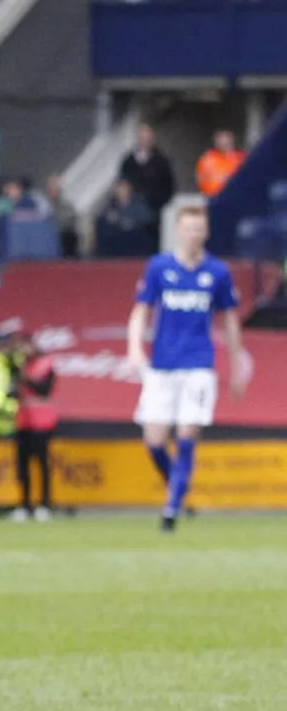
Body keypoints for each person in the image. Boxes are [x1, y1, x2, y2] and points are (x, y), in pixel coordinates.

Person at [126, 204, 246, 532]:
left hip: (198, 364)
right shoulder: (159, 267)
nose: (193, 234)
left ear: (205, 232)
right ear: (179, 230)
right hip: (162, 364)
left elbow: (230, 319)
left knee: (187, 433)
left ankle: (171, 510)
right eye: (188, 228)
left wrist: (237, 362)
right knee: (153, 439)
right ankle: (179, 486)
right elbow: (140, 310)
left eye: (199, 228)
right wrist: (134, 347)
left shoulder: (217, 272)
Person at [8, 333, 58, 522]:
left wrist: (24, 378)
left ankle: (45, 503)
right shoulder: (19, 367)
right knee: (22, 464)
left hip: (43, 420)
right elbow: (12, 390)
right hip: (23, 419)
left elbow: (44, 388)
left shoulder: (46, 365)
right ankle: (24, 504)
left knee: (42, 462)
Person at [118, 124, 175, 219]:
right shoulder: (128, 161)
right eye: (142, 138)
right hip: (131, 211)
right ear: (137, 139)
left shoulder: (161, 161)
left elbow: (168, 184)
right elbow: (122, 183)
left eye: (148, 138)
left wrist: (159, 204)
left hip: (154, 211)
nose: (145, 141)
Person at [96, 178, 155, 258]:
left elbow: (146, 218)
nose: (121, 191)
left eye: (123, 187)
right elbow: (106, 218)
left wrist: (130, 221)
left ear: (129, 188)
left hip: (134, 236)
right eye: (118, 188)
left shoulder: (138, 202)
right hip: (118, 236)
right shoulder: (112, 204)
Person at [195, 129, 246, 199]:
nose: (224, 144)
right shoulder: (207, 159)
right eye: (221, 141)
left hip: (238, 198)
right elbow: (201, 179)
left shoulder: (242, 158)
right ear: (216, 143)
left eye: (227, 141)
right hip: (214, 197)